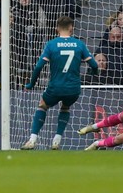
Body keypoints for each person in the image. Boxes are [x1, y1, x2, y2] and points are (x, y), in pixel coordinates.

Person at [21, 16, 98, 150]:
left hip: (55, 87)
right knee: (65, 107)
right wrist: (93, 74)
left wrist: (31, 84)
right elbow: (94, 65)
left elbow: (39, 67)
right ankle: (57, 140)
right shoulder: (79, 44)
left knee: (42, 106)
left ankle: (32, 140)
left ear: (57, 28)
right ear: (71, 28)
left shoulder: (51, 44)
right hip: (73, 89)